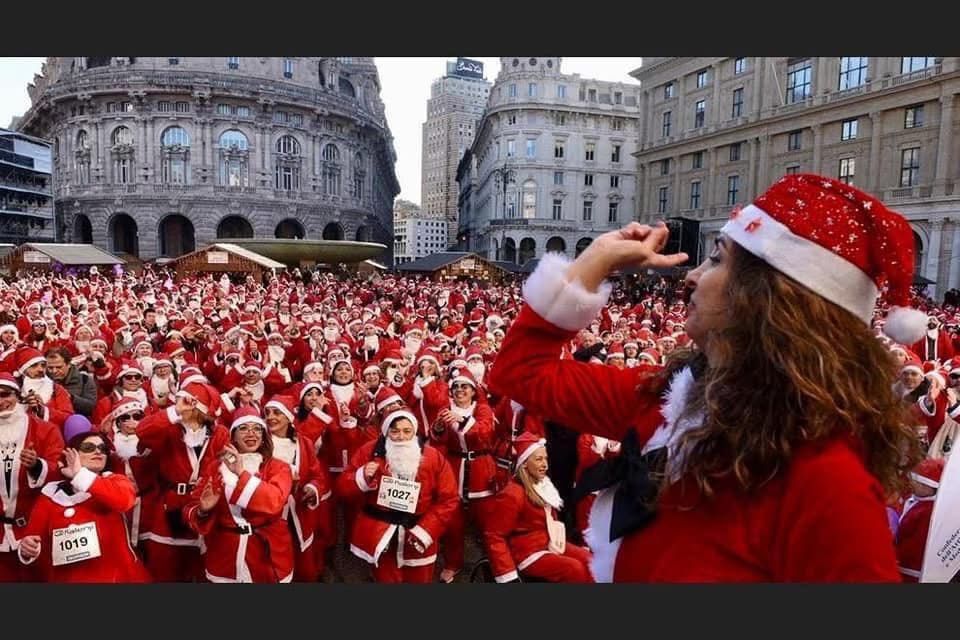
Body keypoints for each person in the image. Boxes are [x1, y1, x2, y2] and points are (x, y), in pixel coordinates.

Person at [489, 174, 924, 582]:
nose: (692, 277)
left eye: (716, 260)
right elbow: (522, 371)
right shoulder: (665, 400)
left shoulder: (830, 487)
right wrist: (598, 258)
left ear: (767, 300)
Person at [335, 409, 458, 583]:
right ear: (386, 432)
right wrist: (361, 476)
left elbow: (449, 499)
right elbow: (342, 488)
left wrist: (426, 530)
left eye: (407, 431)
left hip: (418, 536)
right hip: (381, 535)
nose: (401, 436)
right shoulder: (368, 452)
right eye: (395, 431)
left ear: (414, 432)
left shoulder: (432, 457)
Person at [17, 430, 150, 582]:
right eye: (88, 447)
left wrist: (79, 475)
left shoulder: (116, 481)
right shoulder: (51, 493)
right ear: (70, 453)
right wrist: (27, 550)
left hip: (116, 578)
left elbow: (123, 501)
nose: (98, 451)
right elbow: (33, 537)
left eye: (103, 448)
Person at [183, 405, 294, 583]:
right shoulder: (216, 467)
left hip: (266, 554)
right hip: (225, 552)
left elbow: (275, 502)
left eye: (257, 428)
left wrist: (242, 474)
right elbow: (191, 507)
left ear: (264, 435)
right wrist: (203, 510)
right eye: (243, 428)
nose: (251, 433)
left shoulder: (278, 467)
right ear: (233, 436)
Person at [483, 434, 594, 583]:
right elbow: (494, 534)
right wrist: (507, 575)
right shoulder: (513, 493)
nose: (545, 465)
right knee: (574, 569)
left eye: (546, 459)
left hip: (549, 542)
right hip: (527, 552)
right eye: (538, 459)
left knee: (590, 561)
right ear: (524, 464)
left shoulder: (544, 484)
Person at [0, 372, 65, 581]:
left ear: (17, 396)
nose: (1, 401)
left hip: (32, 531)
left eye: (5, 394)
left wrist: (37, 466)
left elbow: (60, 473)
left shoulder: (45, 430)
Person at [895, 458, 943, 582]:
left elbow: (917, 541)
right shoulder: (915, 501)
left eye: (917, 482)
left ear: (928, 487)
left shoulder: (928, 511)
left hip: (912, 566)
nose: (911, 484)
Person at [45, 346, 97, 419]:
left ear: (68, 364)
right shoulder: (41, 381)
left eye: (59, 367)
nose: (54, 371)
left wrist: (70, 398)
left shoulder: (85, 380)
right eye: (50, 368)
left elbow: (91, 407)